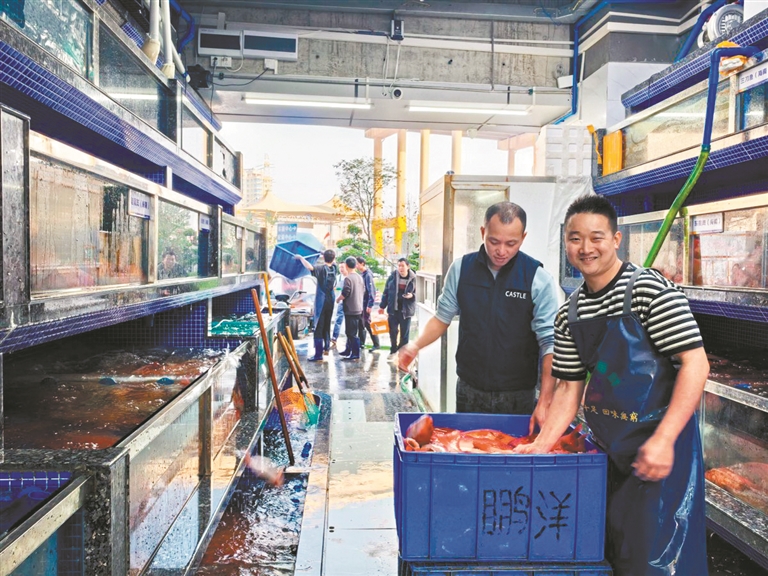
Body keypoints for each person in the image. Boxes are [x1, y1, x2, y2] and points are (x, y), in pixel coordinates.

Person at [515, 195, 709, 576]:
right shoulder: (569, 314)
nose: (585, 248)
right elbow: (569, 390)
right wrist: (541, 445)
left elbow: (695, 363)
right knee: (613, 554)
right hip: (610, 453)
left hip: (664, 452)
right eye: (575, 238)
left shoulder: (648, 291)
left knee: (657, 561)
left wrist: (664, 439)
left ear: (616, 239)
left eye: (596, 237)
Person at [398, 202, 559, 425]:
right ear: (483, 232)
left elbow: (550, 343)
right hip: (469, 389)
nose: (501, 251)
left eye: (511, 243)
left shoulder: (537, 278)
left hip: (518, 395)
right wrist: (415, 345)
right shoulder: (461, 269)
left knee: (513, 447)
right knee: (466, 444)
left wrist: (545, 400)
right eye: (494, 241)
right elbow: (442, 317)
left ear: (523, 238)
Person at [296, 250, 338, 361]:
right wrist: (324, 253)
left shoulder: (321, 269)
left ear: (323, 258)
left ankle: (318, 355)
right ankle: (326, 348)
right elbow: (333, 261)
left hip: (322, 300)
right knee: (327, 324)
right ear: (333, 258)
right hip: (331, 300)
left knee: (319, 325)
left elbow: (309, 267)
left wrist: (301, 258)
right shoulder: (334, 268)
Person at [379, 258, 416, 358]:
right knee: (393, 332)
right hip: (393, 309)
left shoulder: (414, 278)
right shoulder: (392, 277)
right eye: (399, 265)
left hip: (406, 310)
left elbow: (420, 293)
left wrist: (412, 296)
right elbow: (386, 292)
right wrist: (382, 306)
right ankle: (393, 350)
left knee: (405, 334)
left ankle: (402, 353)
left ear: (408, 266)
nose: (400, 268)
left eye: (402, 266)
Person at [337, 256, 365, 360]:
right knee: (351, 331)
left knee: (351, 333)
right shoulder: (359, 277)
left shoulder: (348, 278)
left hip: (351, 309)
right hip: (358, 308)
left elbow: (345, 292)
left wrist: (338, 299)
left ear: (346, 265)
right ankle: (348, 350)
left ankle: (355, 353)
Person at [356, 256, 380, 350]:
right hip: (362, 302)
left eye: (357, 264)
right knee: (361, 323)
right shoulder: (362, 274)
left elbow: (371, 291)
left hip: (366, 303)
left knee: (367, 323)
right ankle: (361, 343)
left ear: (362, 264)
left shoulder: (368, 275)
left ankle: (376, 343)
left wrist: (370, 305)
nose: (356, 266)